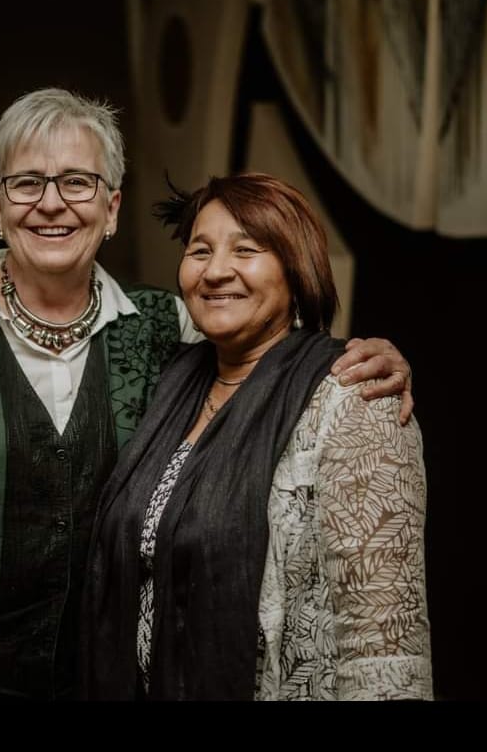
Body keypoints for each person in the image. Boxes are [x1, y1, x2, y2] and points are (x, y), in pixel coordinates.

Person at [0, 90, 415, 701]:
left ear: (111, 209)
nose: (52, 204)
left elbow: (264, 340)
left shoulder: (170, 326)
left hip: (96, 679)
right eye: (27, 183)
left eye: (77, 182)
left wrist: (356, 356)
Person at [79, 172, 431, 701]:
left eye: (246, 250)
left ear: (297, 269)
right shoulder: (167, 386)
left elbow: (385, 646)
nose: (216, 270)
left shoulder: (355, 401)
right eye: (200, 251)